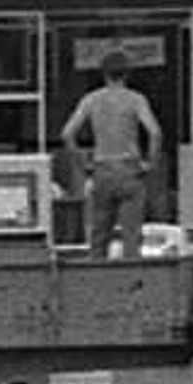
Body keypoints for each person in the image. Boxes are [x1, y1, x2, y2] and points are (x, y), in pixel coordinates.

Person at [59, 50, 165, 258]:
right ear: (127, 74)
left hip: (102, 169)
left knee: (99, 237)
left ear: (103, 74)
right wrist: (149, 163)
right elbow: (155, 133)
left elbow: (67, 134)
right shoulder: (135, 100)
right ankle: (131, 282)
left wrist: (83, 164)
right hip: (129, 169)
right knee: (131, 237)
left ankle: (97, 281)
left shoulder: (91, 100)